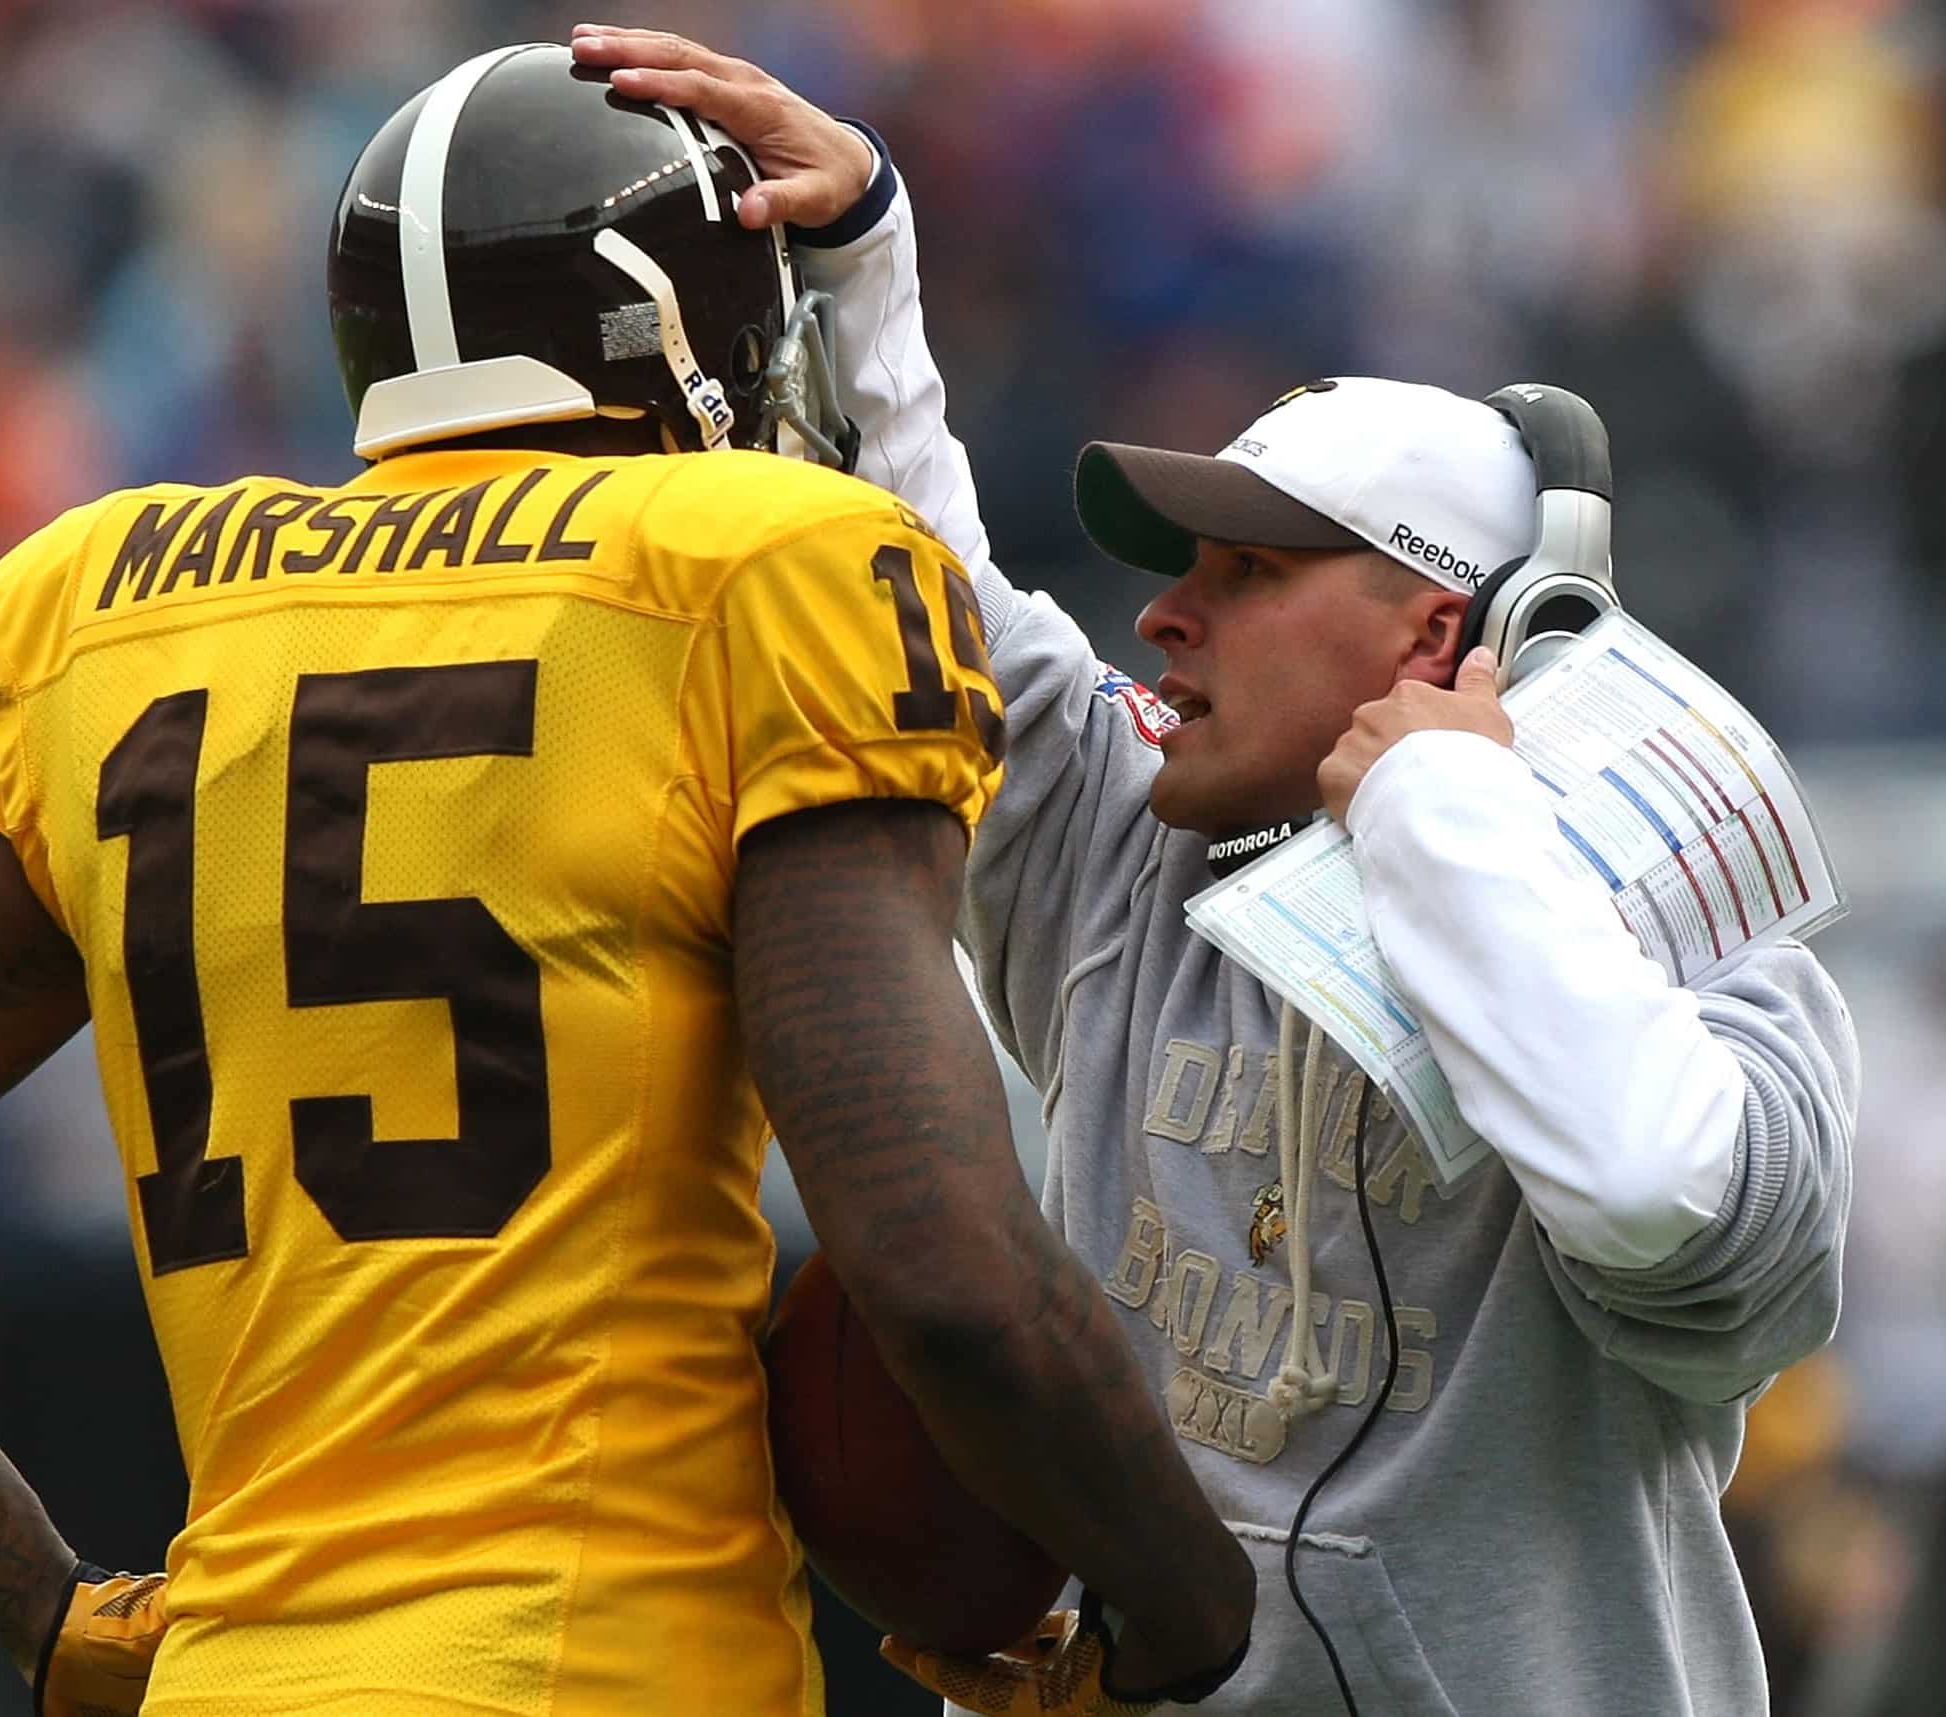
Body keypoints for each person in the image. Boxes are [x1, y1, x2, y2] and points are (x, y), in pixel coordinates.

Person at [0, 44, 1254, 1717]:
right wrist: (1197, 1625)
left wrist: (46, 1614)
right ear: (669, 325)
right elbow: (940, 1262)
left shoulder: (121, 611)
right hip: (600, 1661)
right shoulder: (754, 572)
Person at [570, 23, 1861, 1716]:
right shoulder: (1125, 848)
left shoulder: (1716, 969)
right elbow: (917, 580)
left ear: (1447, 629)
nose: (1165, 616)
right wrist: (866, 249)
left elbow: (1650, 1194)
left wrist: (1439, 813)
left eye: (1249, 571)